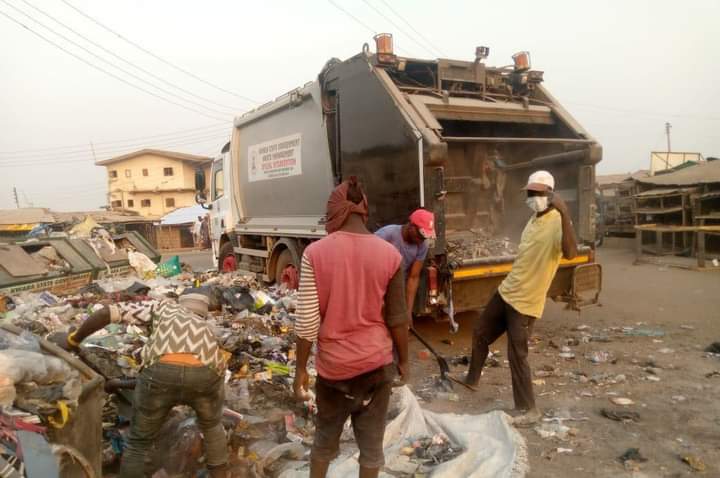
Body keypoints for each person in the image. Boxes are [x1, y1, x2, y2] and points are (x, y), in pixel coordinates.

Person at [293, 177, 409, 478]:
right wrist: (405, 361)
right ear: (363, 210)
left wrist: (300, 371)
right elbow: (398, 318)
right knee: (371, 451)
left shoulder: (314, 254)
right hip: (376, 368)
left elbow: (306, 322)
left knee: (323, 445)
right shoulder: (390, 255)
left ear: (335, 213)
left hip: (335, 374)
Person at [51, 293, 228, 478]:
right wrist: (120, 383)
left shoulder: (163, 308)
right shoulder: (206, 328)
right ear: (203, 313)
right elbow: (184, 372)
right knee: (212, 427)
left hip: (159, 375)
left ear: (181, 304)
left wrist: (73, 339)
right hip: (206, 375)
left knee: (138, 443)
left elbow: (106, 313)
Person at [464, 170, 577, 425]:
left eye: (537, 193)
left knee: (517, 355)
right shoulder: (534, 219)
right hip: (507, 291)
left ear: (550, 195)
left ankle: (528, 409)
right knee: (480, 332)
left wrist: (565, 212)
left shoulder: (558, 221)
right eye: (530, 192)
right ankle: (471, 380)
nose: (532, 197)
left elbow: (570, 252)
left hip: (526, 302)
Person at [375, 209, 435, 318]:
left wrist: (408, 312)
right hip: (377, 283)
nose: (421, 240)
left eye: (425, 237)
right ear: (411, 226)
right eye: (420, 236)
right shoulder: (386, 235)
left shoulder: (422, 246)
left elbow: (413, 277)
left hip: (396, 285)